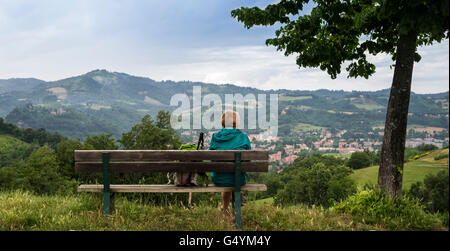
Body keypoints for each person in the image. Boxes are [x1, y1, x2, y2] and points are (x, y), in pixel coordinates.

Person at [209, 110, 250, 214]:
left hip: (219, 179)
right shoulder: (243, 137)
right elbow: (248, 161)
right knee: (236, 173)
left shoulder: (215, 137)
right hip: (239, 180)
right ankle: (235, 203)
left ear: (223, 122)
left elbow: (211, 159)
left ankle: (225, 208)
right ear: (236, 122)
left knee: (226, 175)